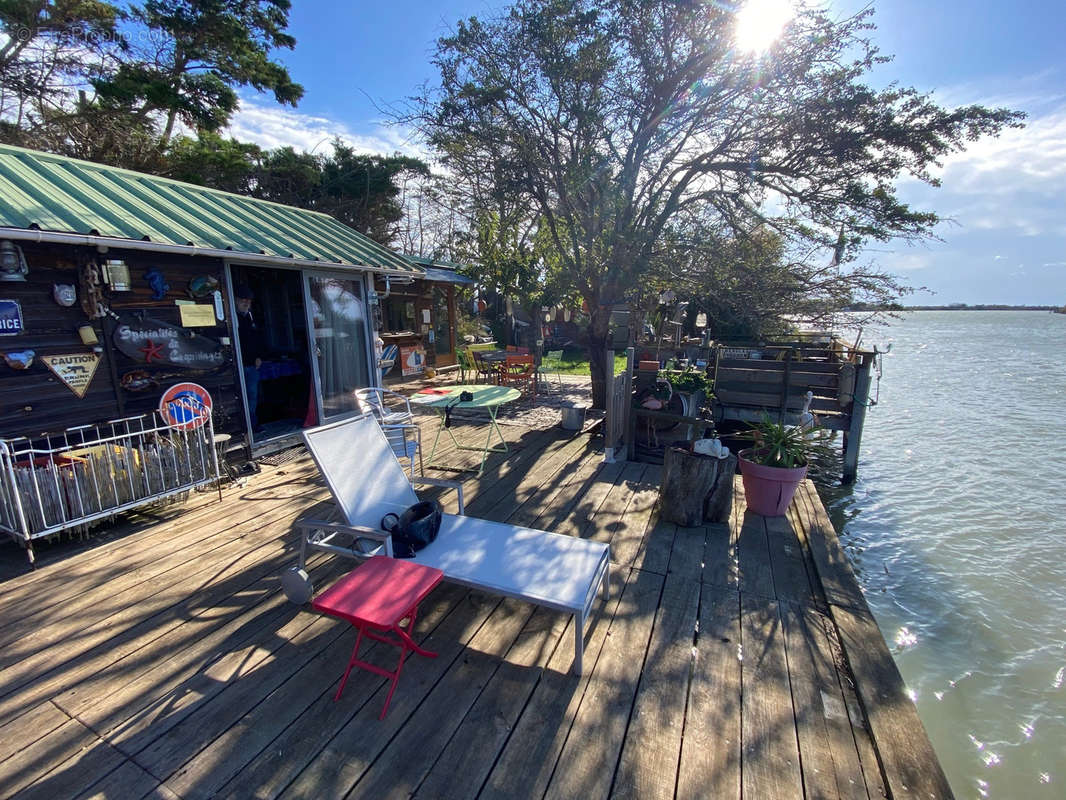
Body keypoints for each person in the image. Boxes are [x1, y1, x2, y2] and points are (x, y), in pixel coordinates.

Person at [235, 285, 266, 433]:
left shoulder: (251, 317)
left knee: (253, 395)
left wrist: (259, 356)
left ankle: (253, 425)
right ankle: (243, 427)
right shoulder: (232, 318)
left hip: (252, 364)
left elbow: (259, 340)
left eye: (248, 300)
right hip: (238, 364)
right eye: (243, 300)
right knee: (240, 396)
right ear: (236, 300)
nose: (246, 303)